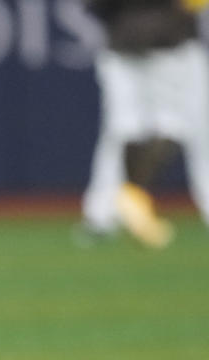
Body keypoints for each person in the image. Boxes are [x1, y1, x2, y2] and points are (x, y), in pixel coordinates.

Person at [80, 0, 209, 248]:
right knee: (178, 126)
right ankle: (130, 193)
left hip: (122, 41)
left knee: (122, 128)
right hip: (170, 42)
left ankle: (102, 213)